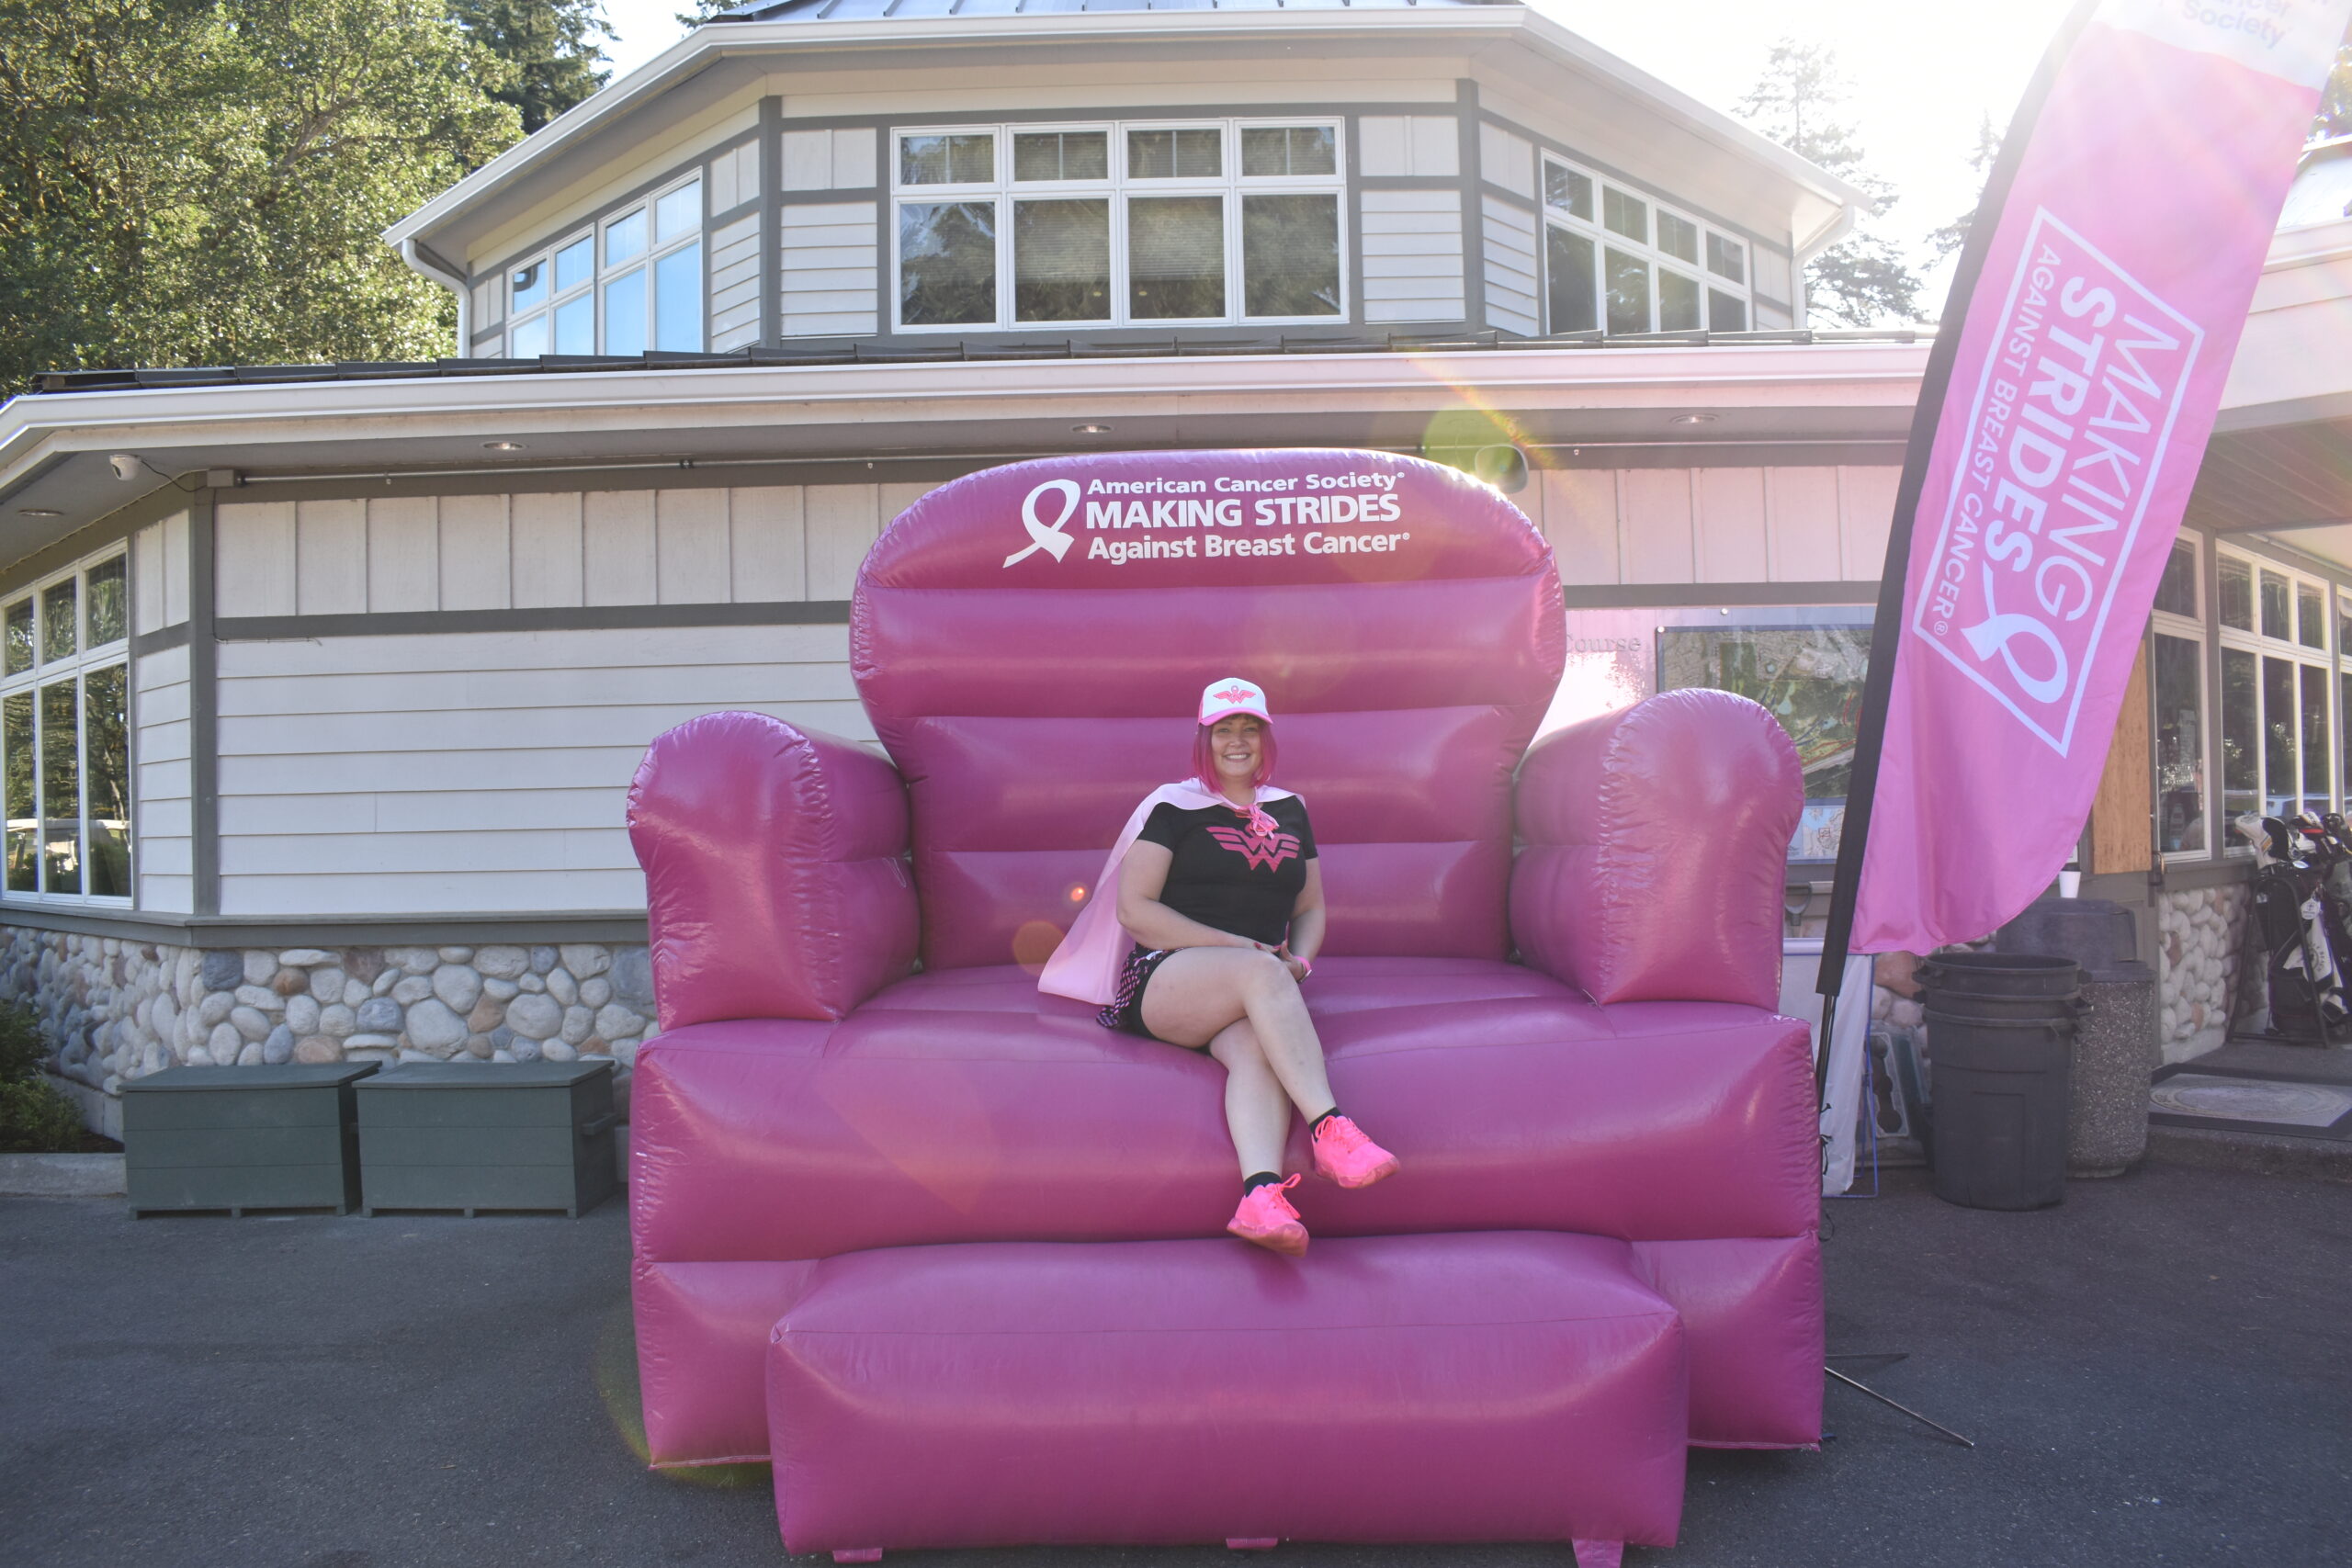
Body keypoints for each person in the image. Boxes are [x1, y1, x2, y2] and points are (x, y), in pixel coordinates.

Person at [1038, 677, 1400, 1257]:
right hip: (1166, 977)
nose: (1237, 741)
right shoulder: (1171, 807)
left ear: (1266, 738)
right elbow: (1136, 912)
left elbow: (1309, 907)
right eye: (1223, 730)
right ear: (1202, 740)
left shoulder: (1290, 810)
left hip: (1254, 986)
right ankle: (1331, 1129)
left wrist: (1301, 959)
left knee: (1258, 1049)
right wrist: (1236, 947)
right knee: (1262, 975)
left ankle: (1260, 1198)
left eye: (1249, 729)